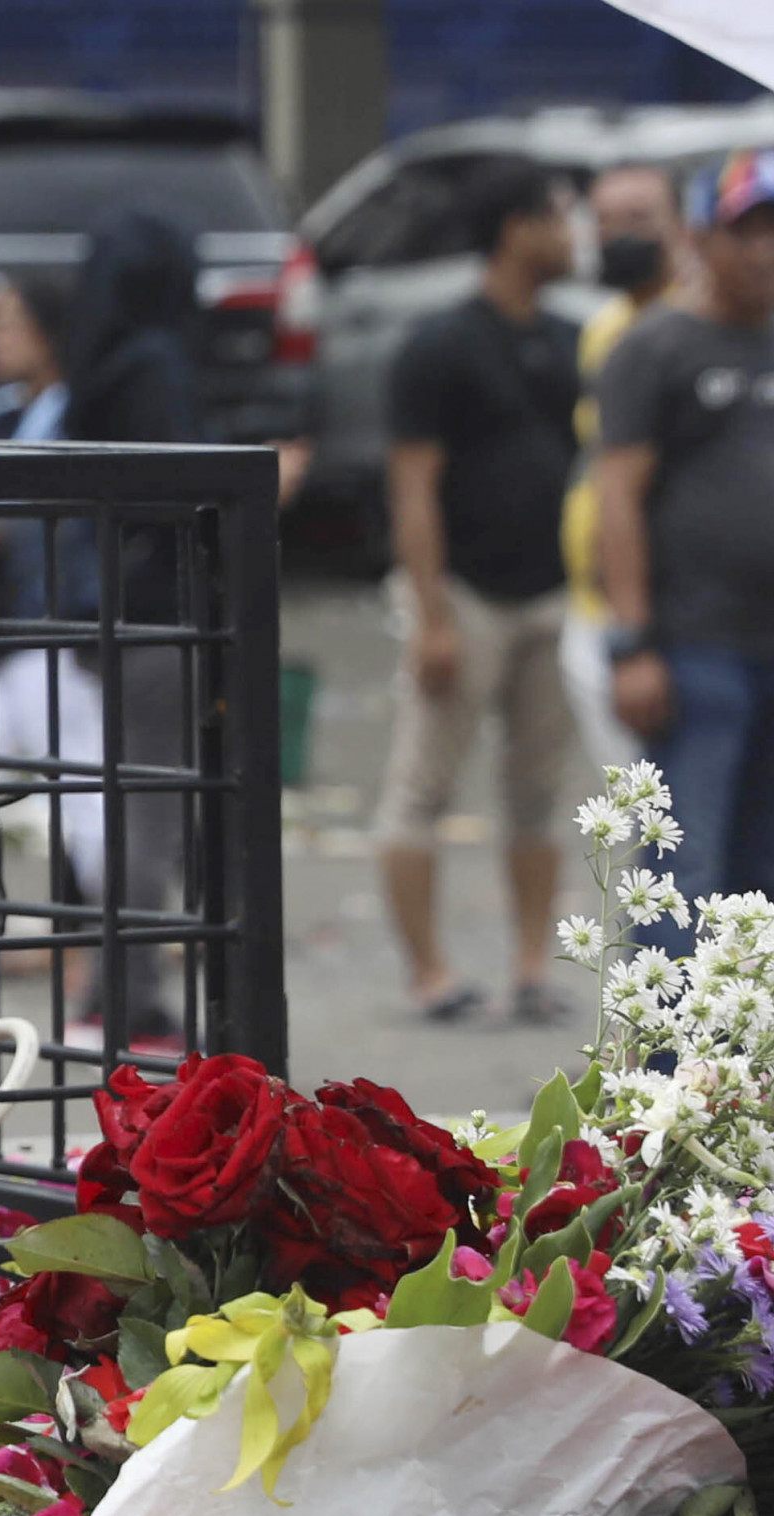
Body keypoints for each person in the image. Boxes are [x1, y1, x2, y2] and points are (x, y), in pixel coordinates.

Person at [376, 156, 578, 1025]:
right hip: (465, 595)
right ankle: (430, 973)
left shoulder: (572, 339)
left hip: (555, 596)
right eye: (558, 217)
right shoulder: (441, 345)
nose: (572, 235)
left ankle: (532, 969)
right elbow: (413, 488)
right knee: (422, 789)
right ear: (515, 230)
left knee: (538, 794)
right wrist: (431, 615)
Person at [595, 149, 774, 916]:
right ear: (700, 239)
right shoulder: (657, 347)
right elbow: (616, 498)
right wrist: (632, 643)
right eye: (747, 231)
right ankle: (669, 1004)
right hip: (695, 649)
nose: (763, 251)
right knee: (685, 870)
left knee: (760, 878)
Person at [62, 211, 205, 1047]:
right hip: (157, 613)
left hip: (106, 611)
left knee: (128, 800)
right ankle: (130, 994)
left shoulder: (99, 363)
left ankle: (111, 986)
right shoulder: (156, 362)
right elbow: (179, 485)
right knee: (151, 811)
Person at [0, 274, 108, 912]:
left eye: (8, 322)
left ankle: (96, 937)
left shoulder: (78, 412)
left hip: (52, 628)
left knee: (86, 798)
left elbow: (20, 519)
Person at [561, 164, 692, 770]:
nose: (617, 236)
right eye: (605, 221)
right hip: (594, 608)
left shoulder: (703, 331)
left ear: (684, 227)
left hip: (673, 624)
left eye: (638, 219)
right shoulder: (606, 328)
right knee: (630, 804)